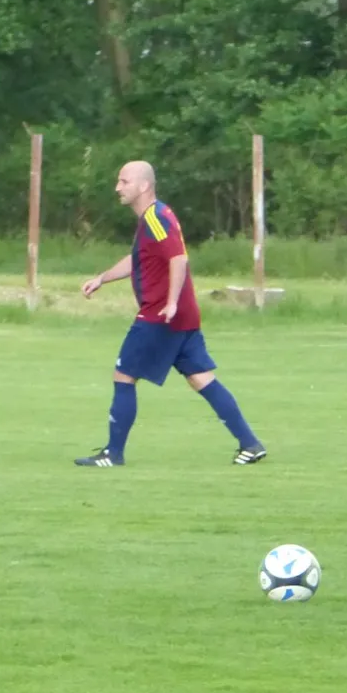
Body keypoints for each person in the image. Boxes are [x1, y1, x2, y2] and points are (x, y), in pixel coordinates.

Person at [74, 160, 266, 467]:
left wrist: (172, 302)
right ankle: (250, 444)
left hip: (161, 315)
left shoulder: (156, 218)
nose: (117, 188)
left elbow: (178, 259)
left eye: (124, 182)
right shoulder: (155, 216)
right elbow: (138, 259)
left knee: (124, 375)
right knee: (201, 378)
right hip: (181, 316)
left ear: (144, 185)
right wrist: (102, 278)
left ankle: (113, 454)